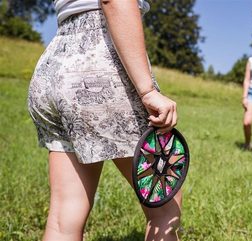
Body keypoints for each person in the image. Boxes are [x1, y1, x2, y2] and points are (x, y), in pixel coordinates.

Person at [27, 0, 181, 240]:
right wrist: (147, 91)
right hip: (100, 62)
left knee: (64, 217)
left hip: (55, 66)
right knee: (164, 208)